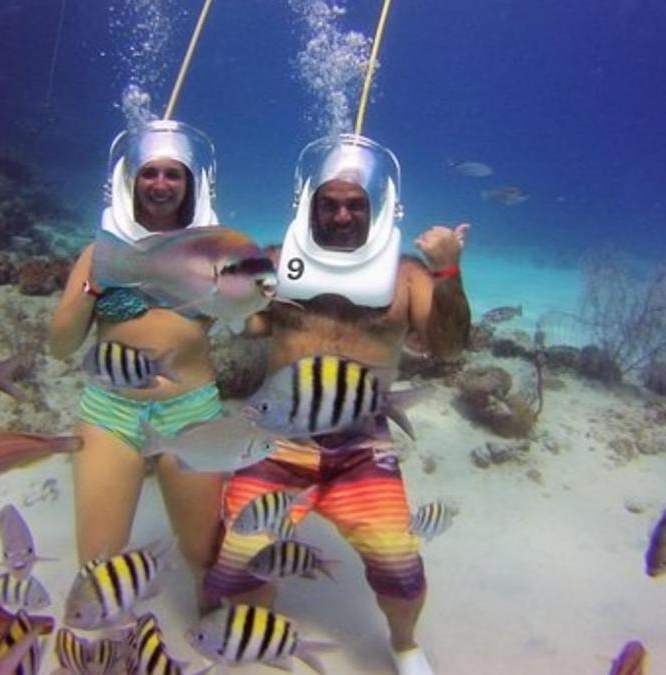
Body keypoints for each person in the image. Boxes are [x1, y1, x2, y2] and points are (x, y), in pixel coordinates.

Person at [201, 134, 471, 675]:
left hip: (362, 443)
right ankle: (259, 648)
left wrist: (448, 270)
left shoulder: (408, 274)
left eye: (355, 204)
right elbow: (247, 325)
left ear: (375, 208)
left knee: (399, 562)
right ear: (309, 204)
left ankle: (404, 646)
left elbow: (449, 347)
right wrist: (226, 288)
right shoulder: (277, 260)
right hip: (278, 437)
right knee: (243, 554)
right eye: (330, 203)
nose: (342, 214)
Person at [48, 120, 226, 614]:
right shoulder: (97, 253)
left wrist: (256, 293)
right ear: (131, 180)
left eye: (174, 174)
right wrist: (94, 287)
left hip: (190, 410)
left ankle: (217, 645)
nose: (161, 184)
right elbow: (61, 345)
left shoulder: (215, 253)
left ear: (191, 184)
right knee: (98, 567)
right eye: (150, 173)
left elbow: (254, 326)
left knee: (204, 557)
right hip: (111, 413)